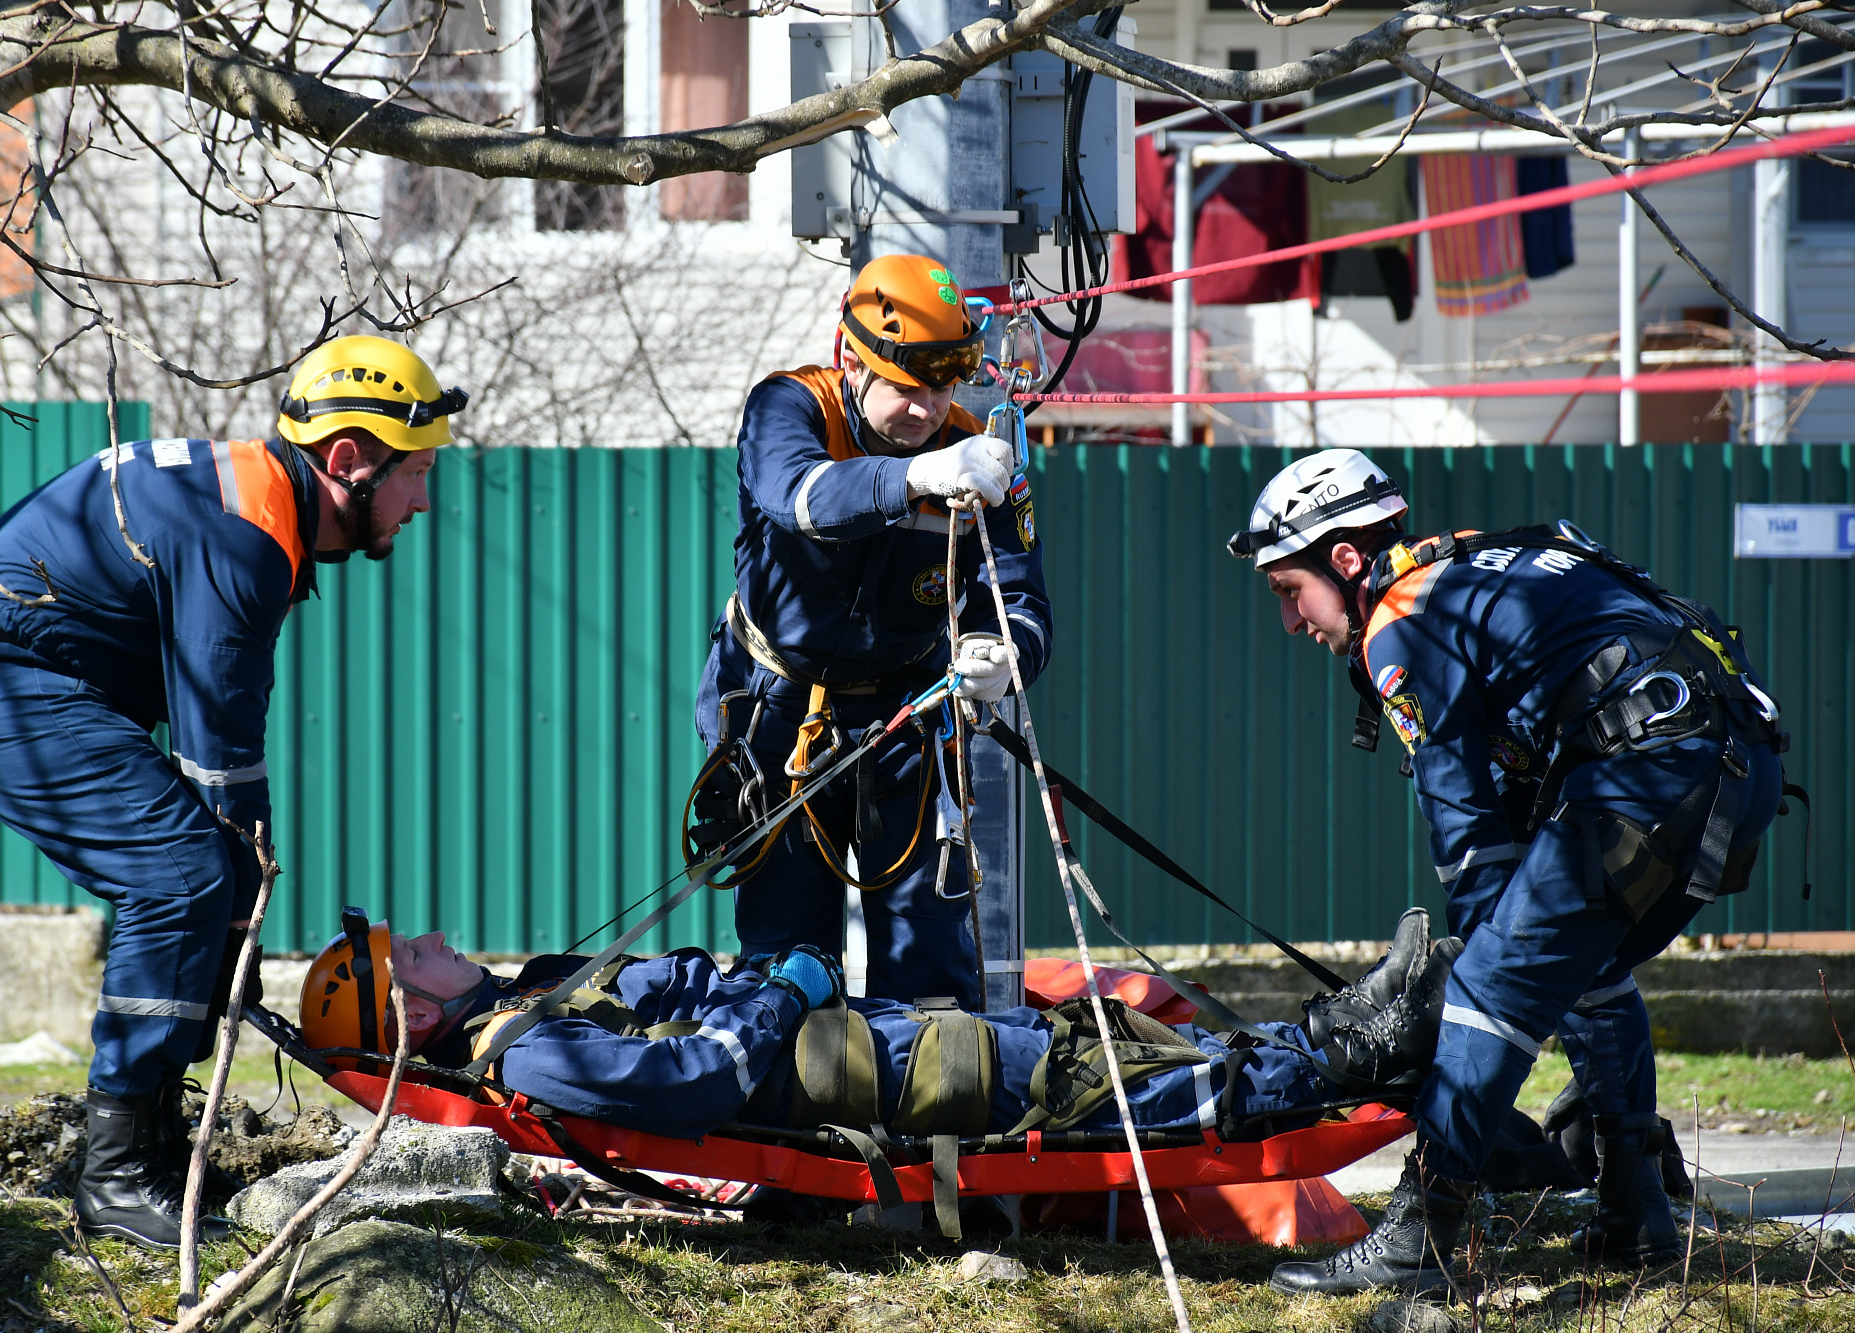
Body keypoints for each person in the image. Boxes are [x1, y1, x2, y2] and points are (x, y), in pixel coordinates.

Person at [0, 336, 467, 1250]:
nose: (425, 501)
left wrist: (227, 934)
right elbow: (222, 765)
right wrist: (232, 920)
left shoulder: (253, 500)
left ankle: (149, 1135)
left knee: (201, 877)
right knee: (184, 876)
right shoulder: (245, 536)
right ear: (349, 461)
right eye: (417, 472)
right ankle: (120, 1171)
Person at [1225, 449, 1787, 1295]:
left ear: (1344, 560)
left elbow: (1471, 841)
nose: (1290, 619)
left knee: (1489, 984)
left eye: (1286, 590)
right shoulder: (1476, 566)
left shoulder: (1403, 619)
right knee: (1588, 967)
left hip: (1652, 767)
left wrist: (1478, 979)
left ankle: (1424, 1240)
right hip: (1733, 762)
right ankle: (1635, 1208)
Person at [299, 907, 1459, 1154]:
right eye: (414, 952)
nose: (435, 931)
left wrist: (750, 989)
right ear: (414, 1011)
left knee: (1113, 1050)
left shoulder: (535, 1004)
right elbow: (705, 1077)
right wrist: (780, 990)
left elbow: (687, 1004)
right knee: (1117, 1085)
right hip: (903, 1083)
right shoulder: (535, 1050)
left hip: (895, 1045)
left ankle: (1361, 1030)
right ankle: (1361, 1047)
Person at [694, 252, 1053, 1007]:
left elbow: (1018, 594)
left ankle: (933, 1106)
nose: (927, 411)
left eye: (944, 387)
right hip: (775, 712)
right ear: (849, 361)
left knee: (928, 954)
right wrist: (916, 478)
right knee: (787, 958)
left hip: (904, 716)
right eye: (907, 388)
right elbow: (802, 498)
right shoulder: (789, 408)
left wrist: (1002, 651)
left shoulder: (978, 453)